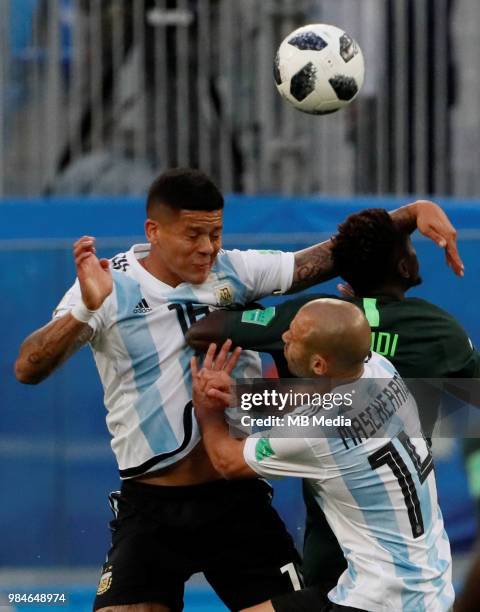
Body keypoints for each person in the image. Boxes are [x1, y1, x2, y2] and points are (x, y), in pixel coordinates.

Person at [14, 169, 461, 612]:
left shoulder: (237, 270)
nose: (208, 248)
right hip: (151, 505)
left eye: (216, 233)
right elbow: (27, 368)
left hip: (237, 502)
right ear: (154, 230)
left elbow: (329, 256)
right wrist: (86, 312)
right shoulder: (106, 286)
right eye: (193, 235)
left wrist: (410, 213)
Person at [186, 207, 480, 598]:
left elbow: (203, 330)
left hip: (332, 521)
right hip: (408, 531)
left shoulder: (309, 323)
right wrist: (414, 211)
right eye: (409, 247)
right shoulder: (423, 342)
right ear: (403, 267)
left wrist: (239, 399)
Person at [190, 301, 455, 612]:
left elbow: (227, 461)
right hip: (433, 585)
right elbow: (319, 394)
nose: (284, 336)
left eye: (294, 336)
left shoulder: (315, 431)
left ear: (318, 365)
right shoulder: (379, 368)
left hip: (379, 600)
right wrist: (241, 393)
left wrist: (208, 408)